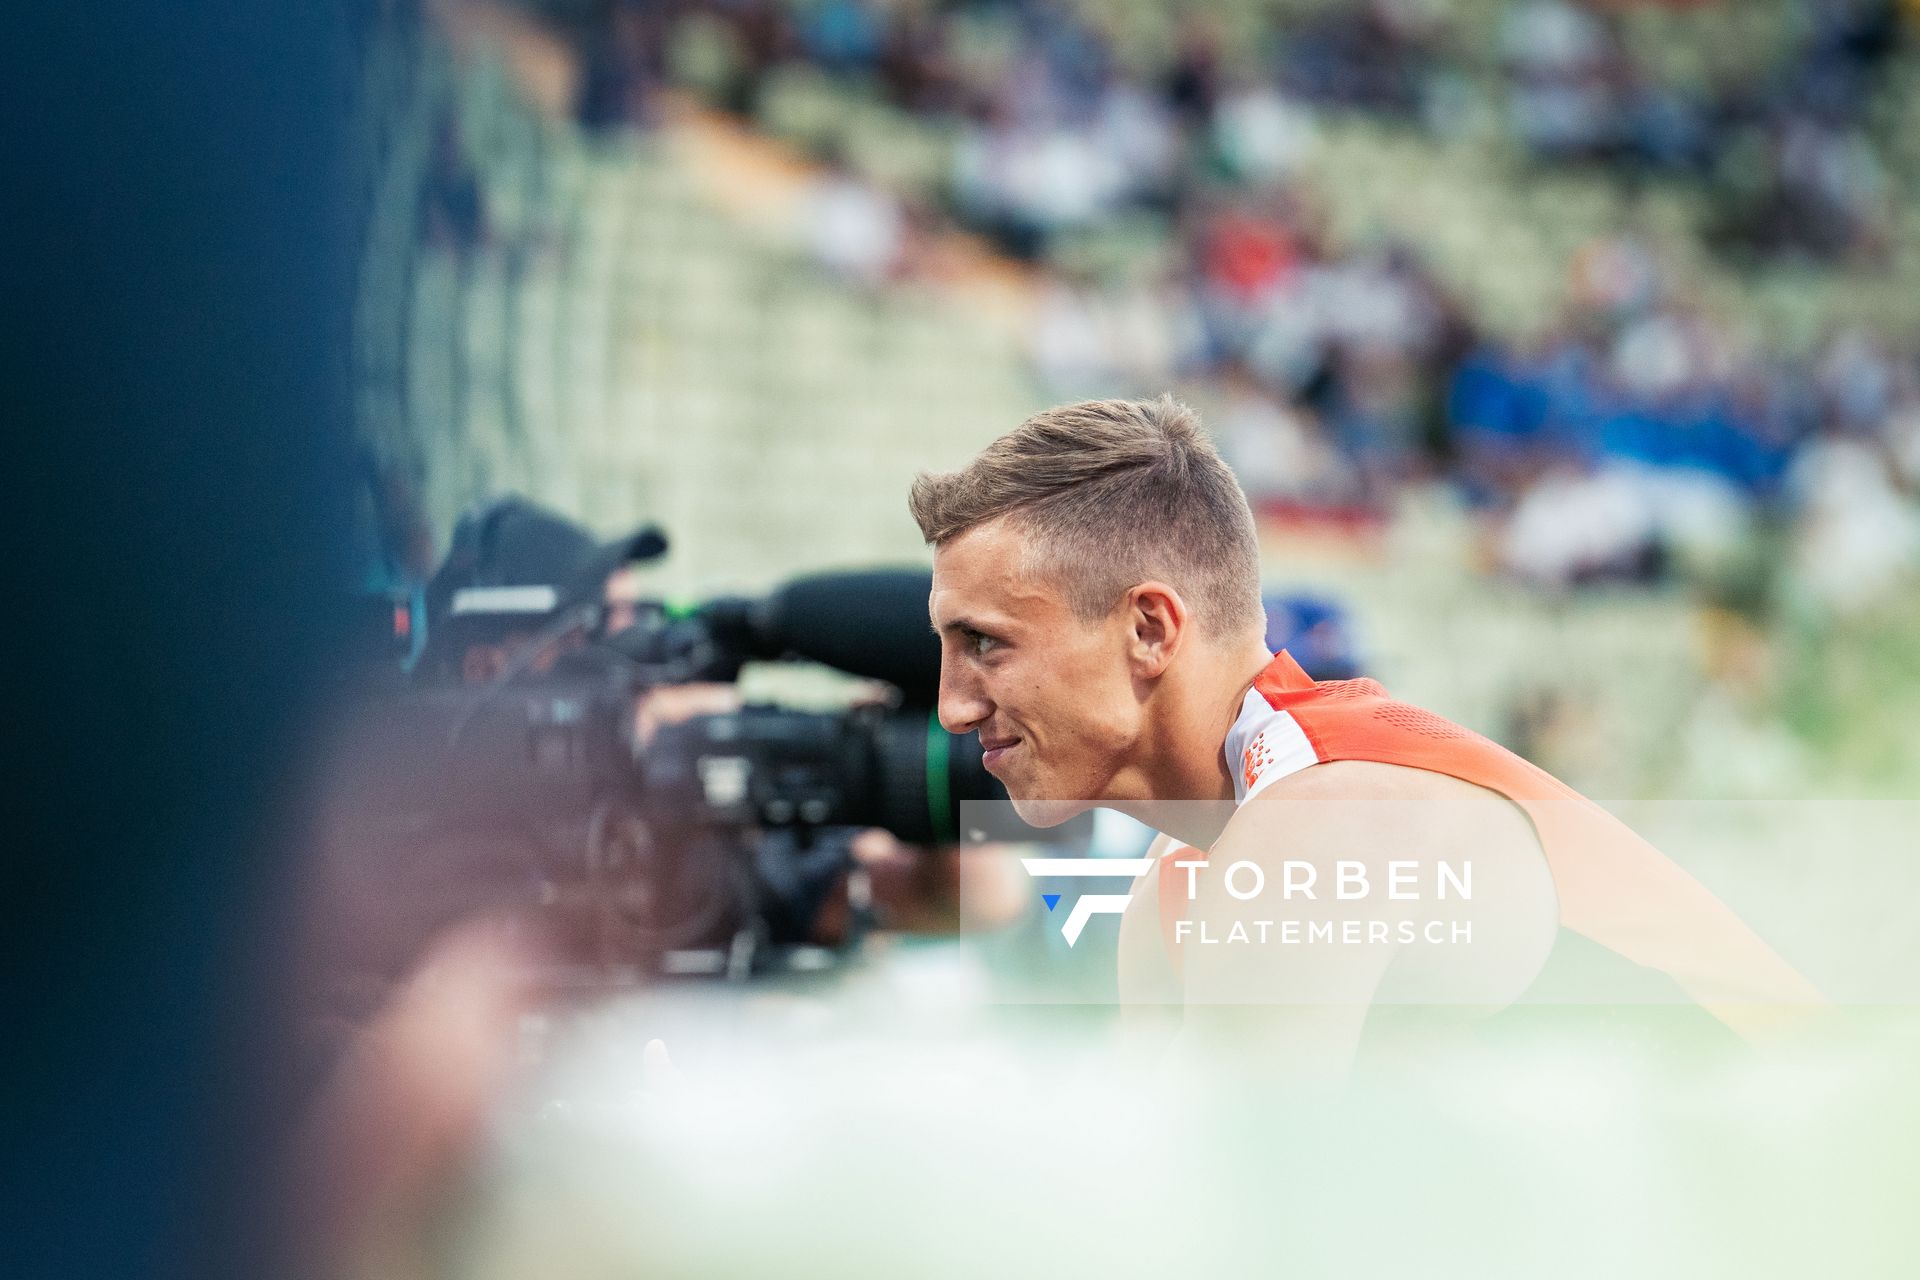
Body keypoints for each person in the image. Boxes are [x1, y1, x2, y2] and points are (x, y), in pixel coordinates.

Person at [910, 395, 1821, 1076]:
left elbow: (1232, 1229)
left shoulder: (1319, 817)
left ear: (1150, 630)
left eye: (985, 644)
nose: (953, 704)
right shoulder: (1182, 874)